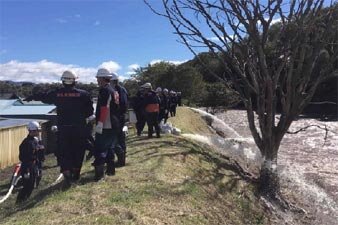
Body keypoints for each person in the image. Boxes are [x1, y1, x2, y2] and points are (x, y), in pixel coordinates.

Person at [24, 71, 94, 188]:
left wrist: (31, 97)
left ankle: (66, 173)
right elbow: (90, 112)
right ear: (75, 81)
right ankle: (75, 174)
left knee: (64, 152)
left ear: (63, 81)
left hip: (63, 129)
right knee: (78, 151)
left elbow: (44, 97)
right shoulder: (84, 94)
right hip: (79, 129)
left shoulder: (57, 94)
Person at [93, 68, 120, 181]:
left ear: (103, 78)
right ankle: (111, 170)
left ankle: (99, 175)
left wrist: (100, 123)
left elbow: (104, 109)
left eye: (98, 78)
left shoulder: (104, 91)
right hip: (114, 123)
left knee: (100, 149)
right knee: (110, 148)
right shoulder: (114, 90)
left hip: (106, 124)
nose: (97, 80)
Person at [16, 121, 42, 203]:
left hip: (33, 165)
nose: (38, 132)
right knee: (27, 185)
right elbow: (23, 157)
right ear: (33, 131)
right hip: (28, 166)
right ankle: (20, 201)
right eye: (37, 130)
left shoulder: (34, 141)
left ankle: (25, 200)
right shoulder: (27, 143)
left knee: (31, 184)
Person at [111, 73, 128, 167]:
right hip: (120, 117)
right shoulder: (122, 89)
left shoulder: (117, 90)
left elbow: (123, 104)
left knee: (117, 138)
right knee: (120, 137)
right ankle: (122, 158)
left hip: (117, 117)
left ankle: (121, 158)